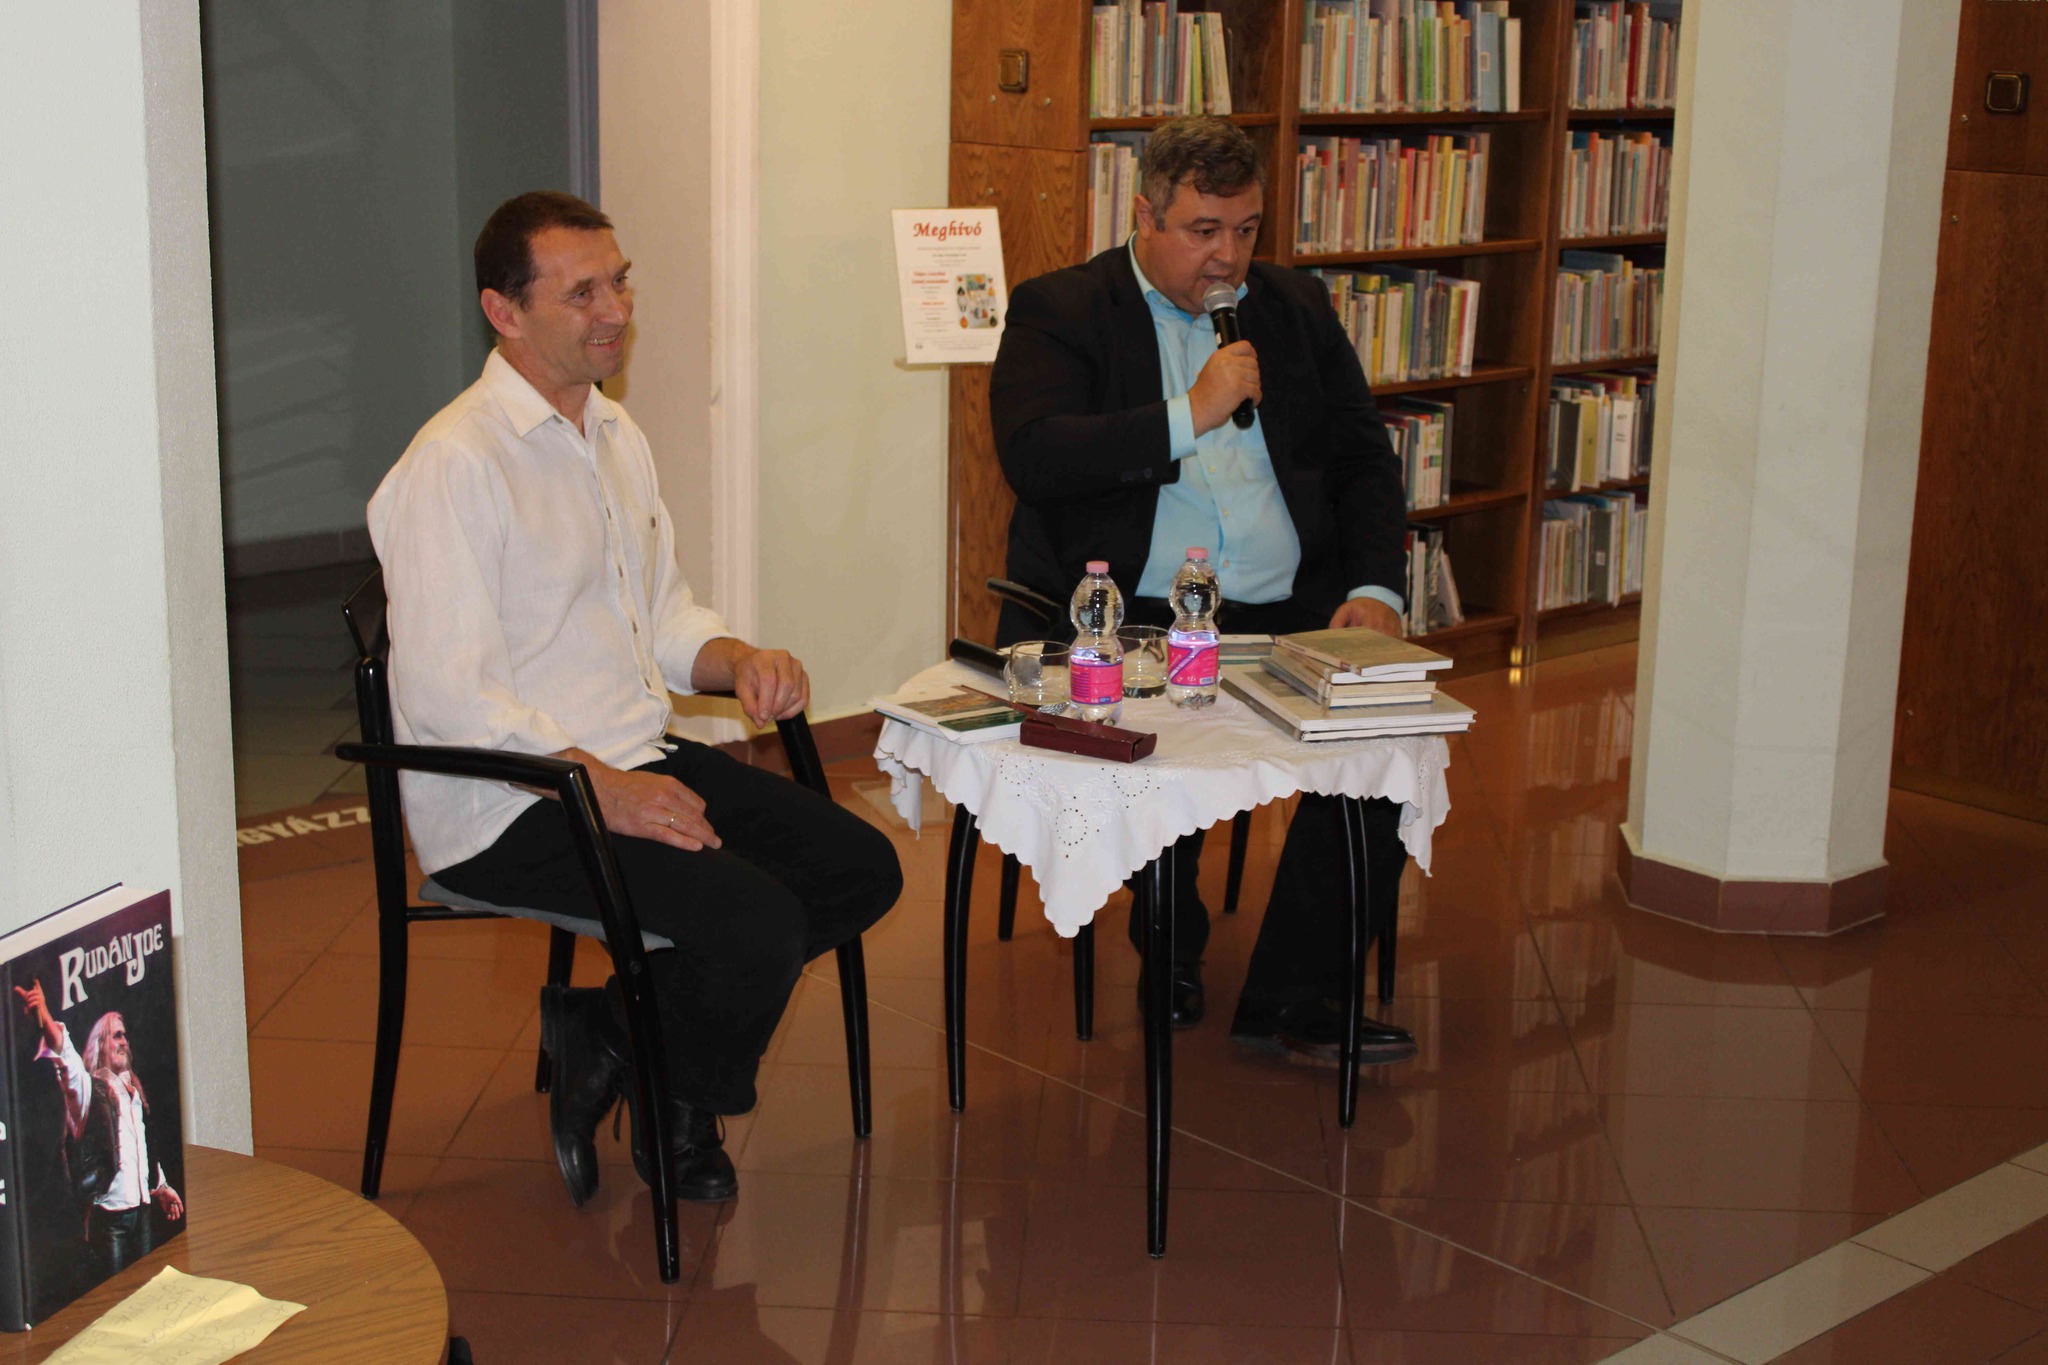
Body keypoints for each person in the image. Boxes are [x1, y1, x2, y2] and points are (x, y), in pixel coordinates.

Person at [368, 191, 902, 1208]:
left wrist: (735, 657)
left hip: (628, 755)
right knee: (754, 925)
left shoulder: (611, 431)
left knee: (857, 869)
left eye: (618, 282)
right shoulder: (452, 465)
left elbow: (660, 618)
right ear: (503, 311)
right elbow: (447, 700)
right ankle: (679, 1102)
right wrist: (604, 789)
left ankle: (614, 1031)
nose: (614, 310)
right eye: (581, 293)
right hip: (507, 801)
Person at [989, 117, 1417, 1065]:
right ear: (1145, 216)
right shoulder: (1062, 308)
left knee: (1385, 746)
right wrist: (1194, 410)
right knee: (1163, 752)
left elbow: (1360, 457)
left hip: (1287, 606)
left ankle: (1298, 995)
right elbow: (1036, 454)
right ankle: (1169, 943)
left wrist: (1374, 586)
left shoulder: (1294, 306)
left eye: (1247, 230)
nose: (1228, 257)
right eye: (1203, 231)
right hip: (1131, 614)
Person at [14, 983, 184, 1275]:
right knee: (114, 1293)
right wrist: (44, 1016)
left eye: (125, 1035)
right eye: (116, 1035)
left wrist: (162, 1187)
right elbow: (67, 1058)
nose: (124, 1041)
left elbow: (141, 1148)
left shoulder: (134, 1094)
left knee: (147, 1286)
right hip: (109, 1221)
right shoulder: (89, 1091)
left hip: (142, 1214)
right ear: (100, 1044)